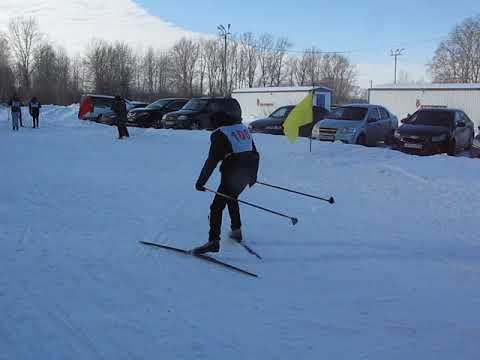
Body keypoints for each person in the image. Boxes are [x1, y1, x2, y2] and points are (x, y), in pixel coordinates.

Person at [193, 111, 260, 255]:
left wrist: (201, 182)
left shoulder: (220, 134)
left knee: (216, 207)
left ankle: (213, 242)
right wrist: (253, 176)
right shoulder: (242, 128)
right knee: (231, 197)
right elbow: (255, 153)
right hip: (246, 171)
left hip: (233, 173)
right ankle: (237, 231)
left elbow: (211, 161)